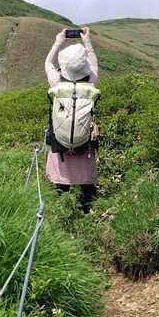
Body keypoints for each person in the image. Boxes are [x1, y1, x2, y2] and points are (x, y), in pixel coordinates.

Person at [44, 26, 99, 212]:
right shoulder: (91, 82)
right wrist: (87, 42)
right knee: (87, 185)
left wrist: (58, 42)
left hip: (60, 145)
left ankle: (62, 210)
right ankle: (89, 207)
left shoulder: (56, 82)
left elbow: (47, 63)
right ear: (84, 65)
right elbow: (94, 64)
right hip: (84, 144)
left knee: (60, 186)